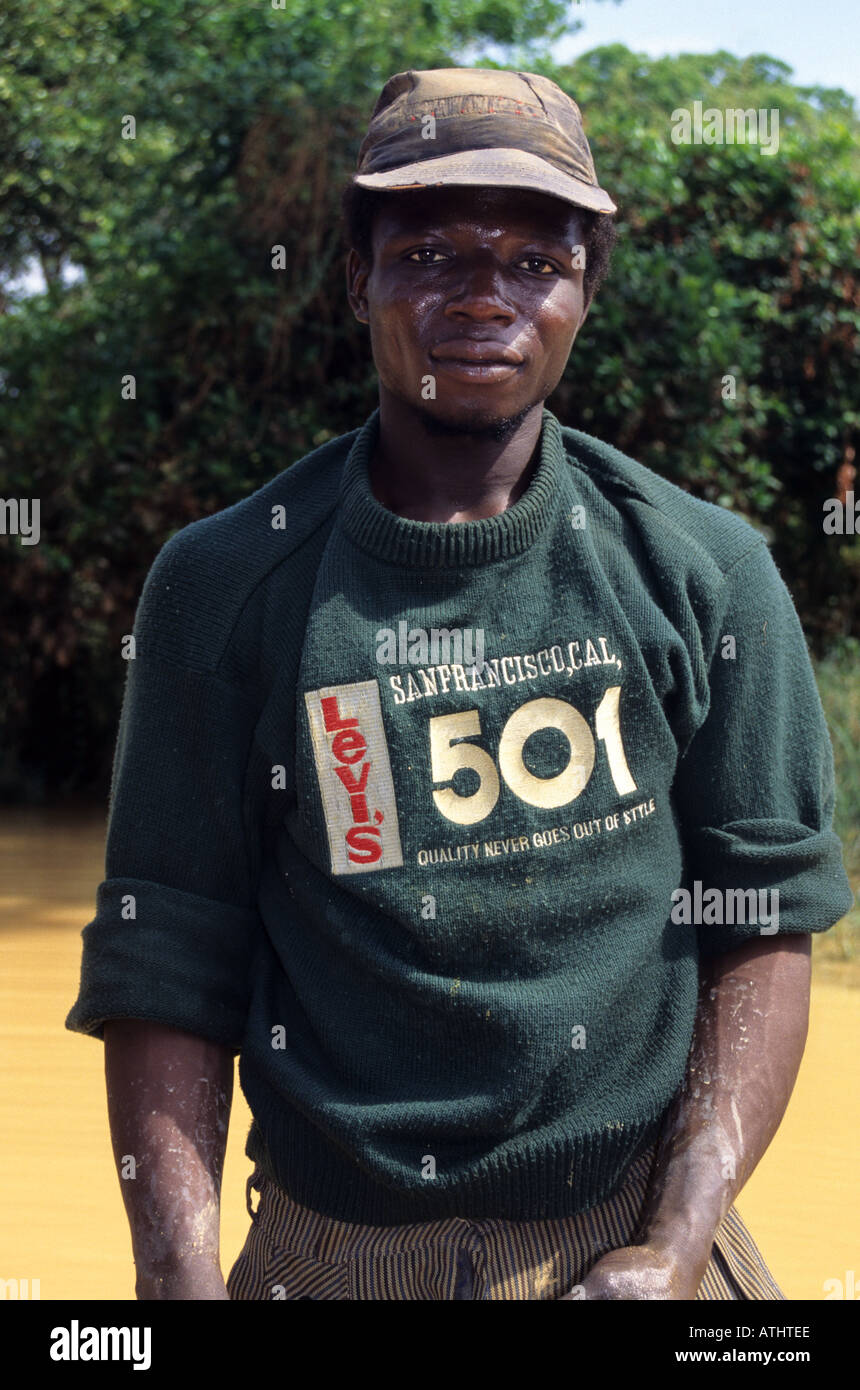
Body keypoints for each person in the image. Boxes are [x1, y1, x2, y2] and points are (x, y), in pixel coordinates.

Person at [66, 67, 853, 1301]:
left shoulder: (703, 571)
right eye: (429, 252)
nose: (484, 298)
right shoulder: (223, 585)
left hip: (640, 1241)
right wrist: (175, 1280)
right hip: (336, 1255)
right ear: (354, 279)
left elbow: (760, 919)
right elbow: (166, 947)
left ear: (586, 286)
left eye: (534, 261)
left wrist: (678, 1242)